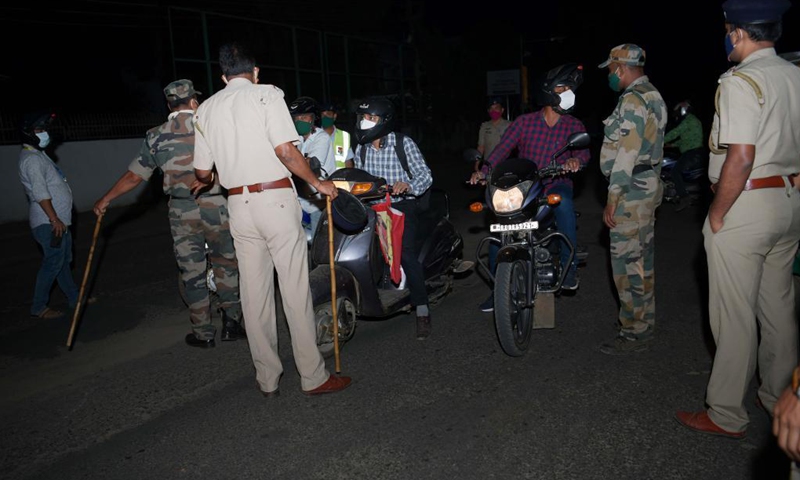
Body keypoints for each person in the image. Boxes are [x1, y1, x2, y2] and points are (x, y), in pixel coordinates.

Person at [192, 42, 351, 396]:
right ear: (256, 71)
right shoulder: (266, 96)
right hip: (275, 200)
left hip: (238, 206)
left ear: (222, 76)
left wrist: (212, 180)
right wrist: (316, 184)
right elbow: (285, 150)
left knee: (254, 294)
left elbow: (203, 171)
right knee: (293, 288)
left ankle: (267, 379)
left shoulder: (205, 109)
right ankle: (313, 376)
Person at [676, 0, 800, 439]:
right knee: (779, 308)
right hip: (788, 200)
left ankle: (726, 413)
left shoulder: (741, 80)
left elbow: (741, 156)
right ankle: (780, 398)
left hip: (747, 205)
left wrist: (717, 214)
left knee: (733, 314)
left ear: (738, 33)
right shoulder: (794, 75)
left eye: (728, 30)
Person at [93, 79, 246, 349]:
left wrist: (105, 199)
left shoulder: (156, 135)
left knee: (192, 270)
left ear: (169, 104)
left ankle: (203, 333)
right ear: (194, 101)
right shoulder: (211, 126)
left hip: (181, 210)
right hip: (217, 206)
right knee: (226, 262)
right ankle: (232, 324)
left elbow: (133, 176)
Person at [470, 63, 590, 311]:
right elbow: (502, 150)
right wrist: (483, 171)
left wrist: (575, 160)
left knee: (564, 202)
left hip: (556, 183)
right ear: (548, 92)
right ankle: (498, 290)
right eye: (562, 87)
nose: (568, 92)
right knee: (500, 226)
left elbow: (583, 154)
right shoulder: (525, 122)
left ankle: (569, 270)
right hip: (524, 187)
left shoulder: (574, 125)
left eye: (570, 88)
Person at [596, 44, 667, 355]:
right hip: (646, 184)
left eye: (611, 70)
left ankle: (635, 332)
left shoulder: (633, 100)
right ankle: (643, 322)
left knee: (626, 263)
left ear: (621, 68)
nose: (610, 76)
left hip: (631, 189)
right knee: (642, 260)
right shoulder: (653, 94)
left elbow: (626, 154)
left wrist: (613, 198)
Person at [352, 96, 434, 339]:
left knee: (406, 253)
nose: (365, 122)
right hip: (373, 208)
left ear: (383, 121)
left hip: (402, 206)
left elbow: (425, 176)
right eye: (363, 118)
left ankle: (422, 309)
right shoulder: (361, 149)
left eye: (371, 118)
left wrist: (407, 185)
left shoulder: (403, 143)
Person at [18, 111, 81, 319]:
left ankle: (74, 298)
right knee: (53, 262)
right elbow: (40, 192)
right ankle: (39, 307)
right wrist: (54, 219)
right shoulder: (32, 160)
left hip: (57, 221)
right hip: (49, 223)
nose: (44, 133)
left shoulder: (38, 155)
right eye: (39, 130)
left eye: (44, 129)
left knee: (62, 262)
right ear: (28, 133)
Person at [289, 96, 336, 239]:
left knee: (319, 245)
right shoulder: (295, 138)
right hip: (300, 202)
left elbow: (311, 164)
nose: (300, 121)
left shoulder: (321, 138)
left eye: (304, 117)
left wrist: (291, 160)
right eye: (297, 118)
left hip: (318, 203)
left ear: (313, 118)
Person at [664, 100, 704, 210]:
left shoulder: (689, 120)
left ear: (683, 110)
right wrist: (670, 145)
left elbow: (675, 132)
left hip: (692, 153)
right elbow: (685, 140)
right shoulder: (692, 121)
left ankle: (684, 197)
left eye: (678, 111)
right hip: (693, 151)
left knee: (675, 172)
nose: (677, 115)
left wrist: (660, 140)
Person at [475, 97, 511, 173]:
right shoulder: (484, 126)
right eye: (491, 108)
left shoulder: (510, 125)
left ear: (502, 110)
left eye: (496, 108)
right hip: (488, 166)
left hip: (505, 165)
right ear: (488, 111)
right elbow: (481, 147)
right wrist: (477, 164)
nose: (493, 111)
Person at [320, 102, 354, 170]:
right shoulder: (314, 136)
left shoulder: (345, 136)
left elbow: (348, 162)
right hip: (321, 179)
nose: (325, 117)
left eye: (328, 114)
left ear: (334, 116)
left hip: (340, 178)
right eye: (322, 115)